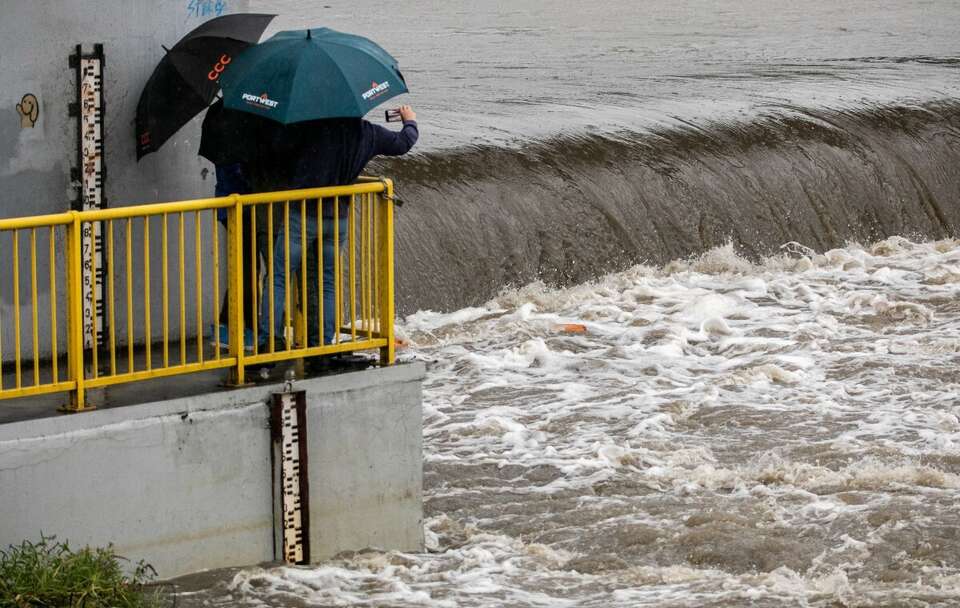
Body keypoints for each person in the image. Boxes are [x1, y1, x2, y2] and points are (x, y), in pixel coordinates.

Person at [258, 105, 419, 356]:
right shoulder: (367, 132)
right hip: (338, 217)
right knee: (328, 282)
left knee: (279, 277)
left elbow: (274, 150)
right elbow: (403, 143)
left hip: (302, 214)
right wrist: (409, 121)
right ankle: (323, 342)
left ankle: (270, 339)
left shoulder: (307, 128)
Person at [198, 99, 258, 351]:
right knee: (247, 268)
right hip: (242, 204)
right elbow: (241, 168)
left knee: (244, 266)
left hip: (228, 203)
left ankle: (232, 325)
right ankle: (246, 327)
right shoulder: (243, 115)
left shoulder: (219, 112)